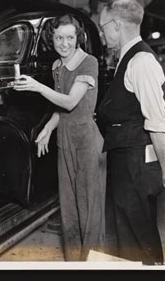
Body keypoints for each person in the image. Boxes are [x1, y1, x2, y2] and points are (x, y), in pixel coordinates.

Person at [14, 15, 106, 261]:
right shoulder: (57, 66)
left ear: (78, 38)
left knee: (90, 214)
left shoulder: (89, 63)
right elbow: (61, 107)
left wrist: (38, 87)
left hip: (87, 142)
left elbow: (71, 101)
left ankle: (95, 267)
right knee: (69, 211)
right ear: (51, 39)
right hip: (65, 141)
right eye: (58, 37)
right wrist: (49, 128)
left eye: (69, 37)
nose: (64, 43)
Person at [97, 0, 165, 265]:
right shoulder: (127, 58)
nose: (102, 33)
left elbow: (158, 121)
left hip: (136, 164)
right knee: (129, 237)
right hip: (128, 161)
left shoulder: (141, 61)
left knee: (139, 239)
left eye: (103, 26)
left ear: (116, 25)